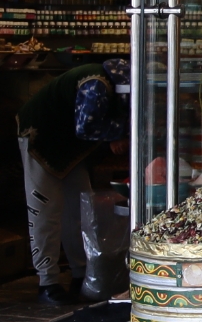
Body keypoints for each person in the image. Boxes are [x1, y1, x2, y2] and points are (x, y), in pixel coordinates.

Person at [16, 58, 125, 304]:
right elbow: (85, 127)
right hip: (41, 139)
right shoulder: (96, 85)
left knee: (80, 209)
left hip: (70, 148)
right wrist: (115, 136)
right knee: (44, 210)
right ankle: (47, 282)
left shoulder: (113, 85)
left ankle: (81, 274)